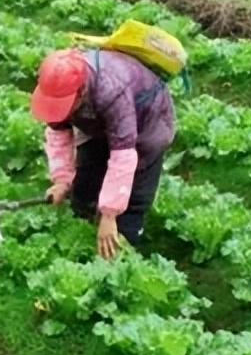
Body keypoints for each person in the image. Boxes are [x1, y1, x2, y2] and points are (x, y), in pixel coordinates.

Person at [31, 48, 175, 260]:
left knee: (131, 204)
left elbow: (123, 155)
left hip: (146, 125)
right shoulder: (54, 90)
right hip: (97, 125)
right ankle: (85, 234)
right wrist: (61, 180)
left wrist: (110, 214)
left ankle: (120, 258)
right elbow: (58, 133)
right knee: (84, 189)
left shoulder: (111, 90)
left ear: (80, 93)